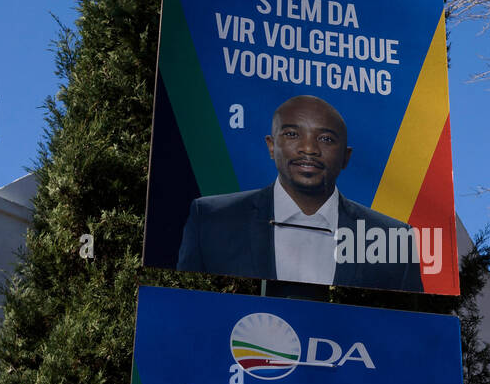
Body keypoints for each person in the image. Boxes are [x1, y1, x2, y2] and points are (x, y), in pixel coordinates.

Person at [177, 95, 424, 290]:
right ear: (271, 146)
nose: (308, 149)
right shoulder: (211, 219)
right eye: (292, 134)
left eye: (326, 139)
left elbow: (409, 327)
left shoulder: (393, 237)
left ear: (346, 157)